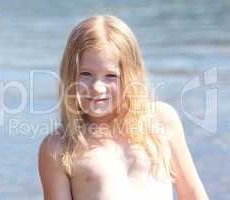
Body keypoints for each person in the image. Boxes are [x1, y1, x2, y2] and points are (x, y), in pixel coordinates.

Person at [38, 15, 209, 200]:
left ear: (131, 75)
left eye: (111, 75)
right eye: (85, 74)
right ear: (69, 75)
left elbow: (192, 193)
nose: (97, 87)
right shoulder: (59, 147)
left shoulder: (161, 120)